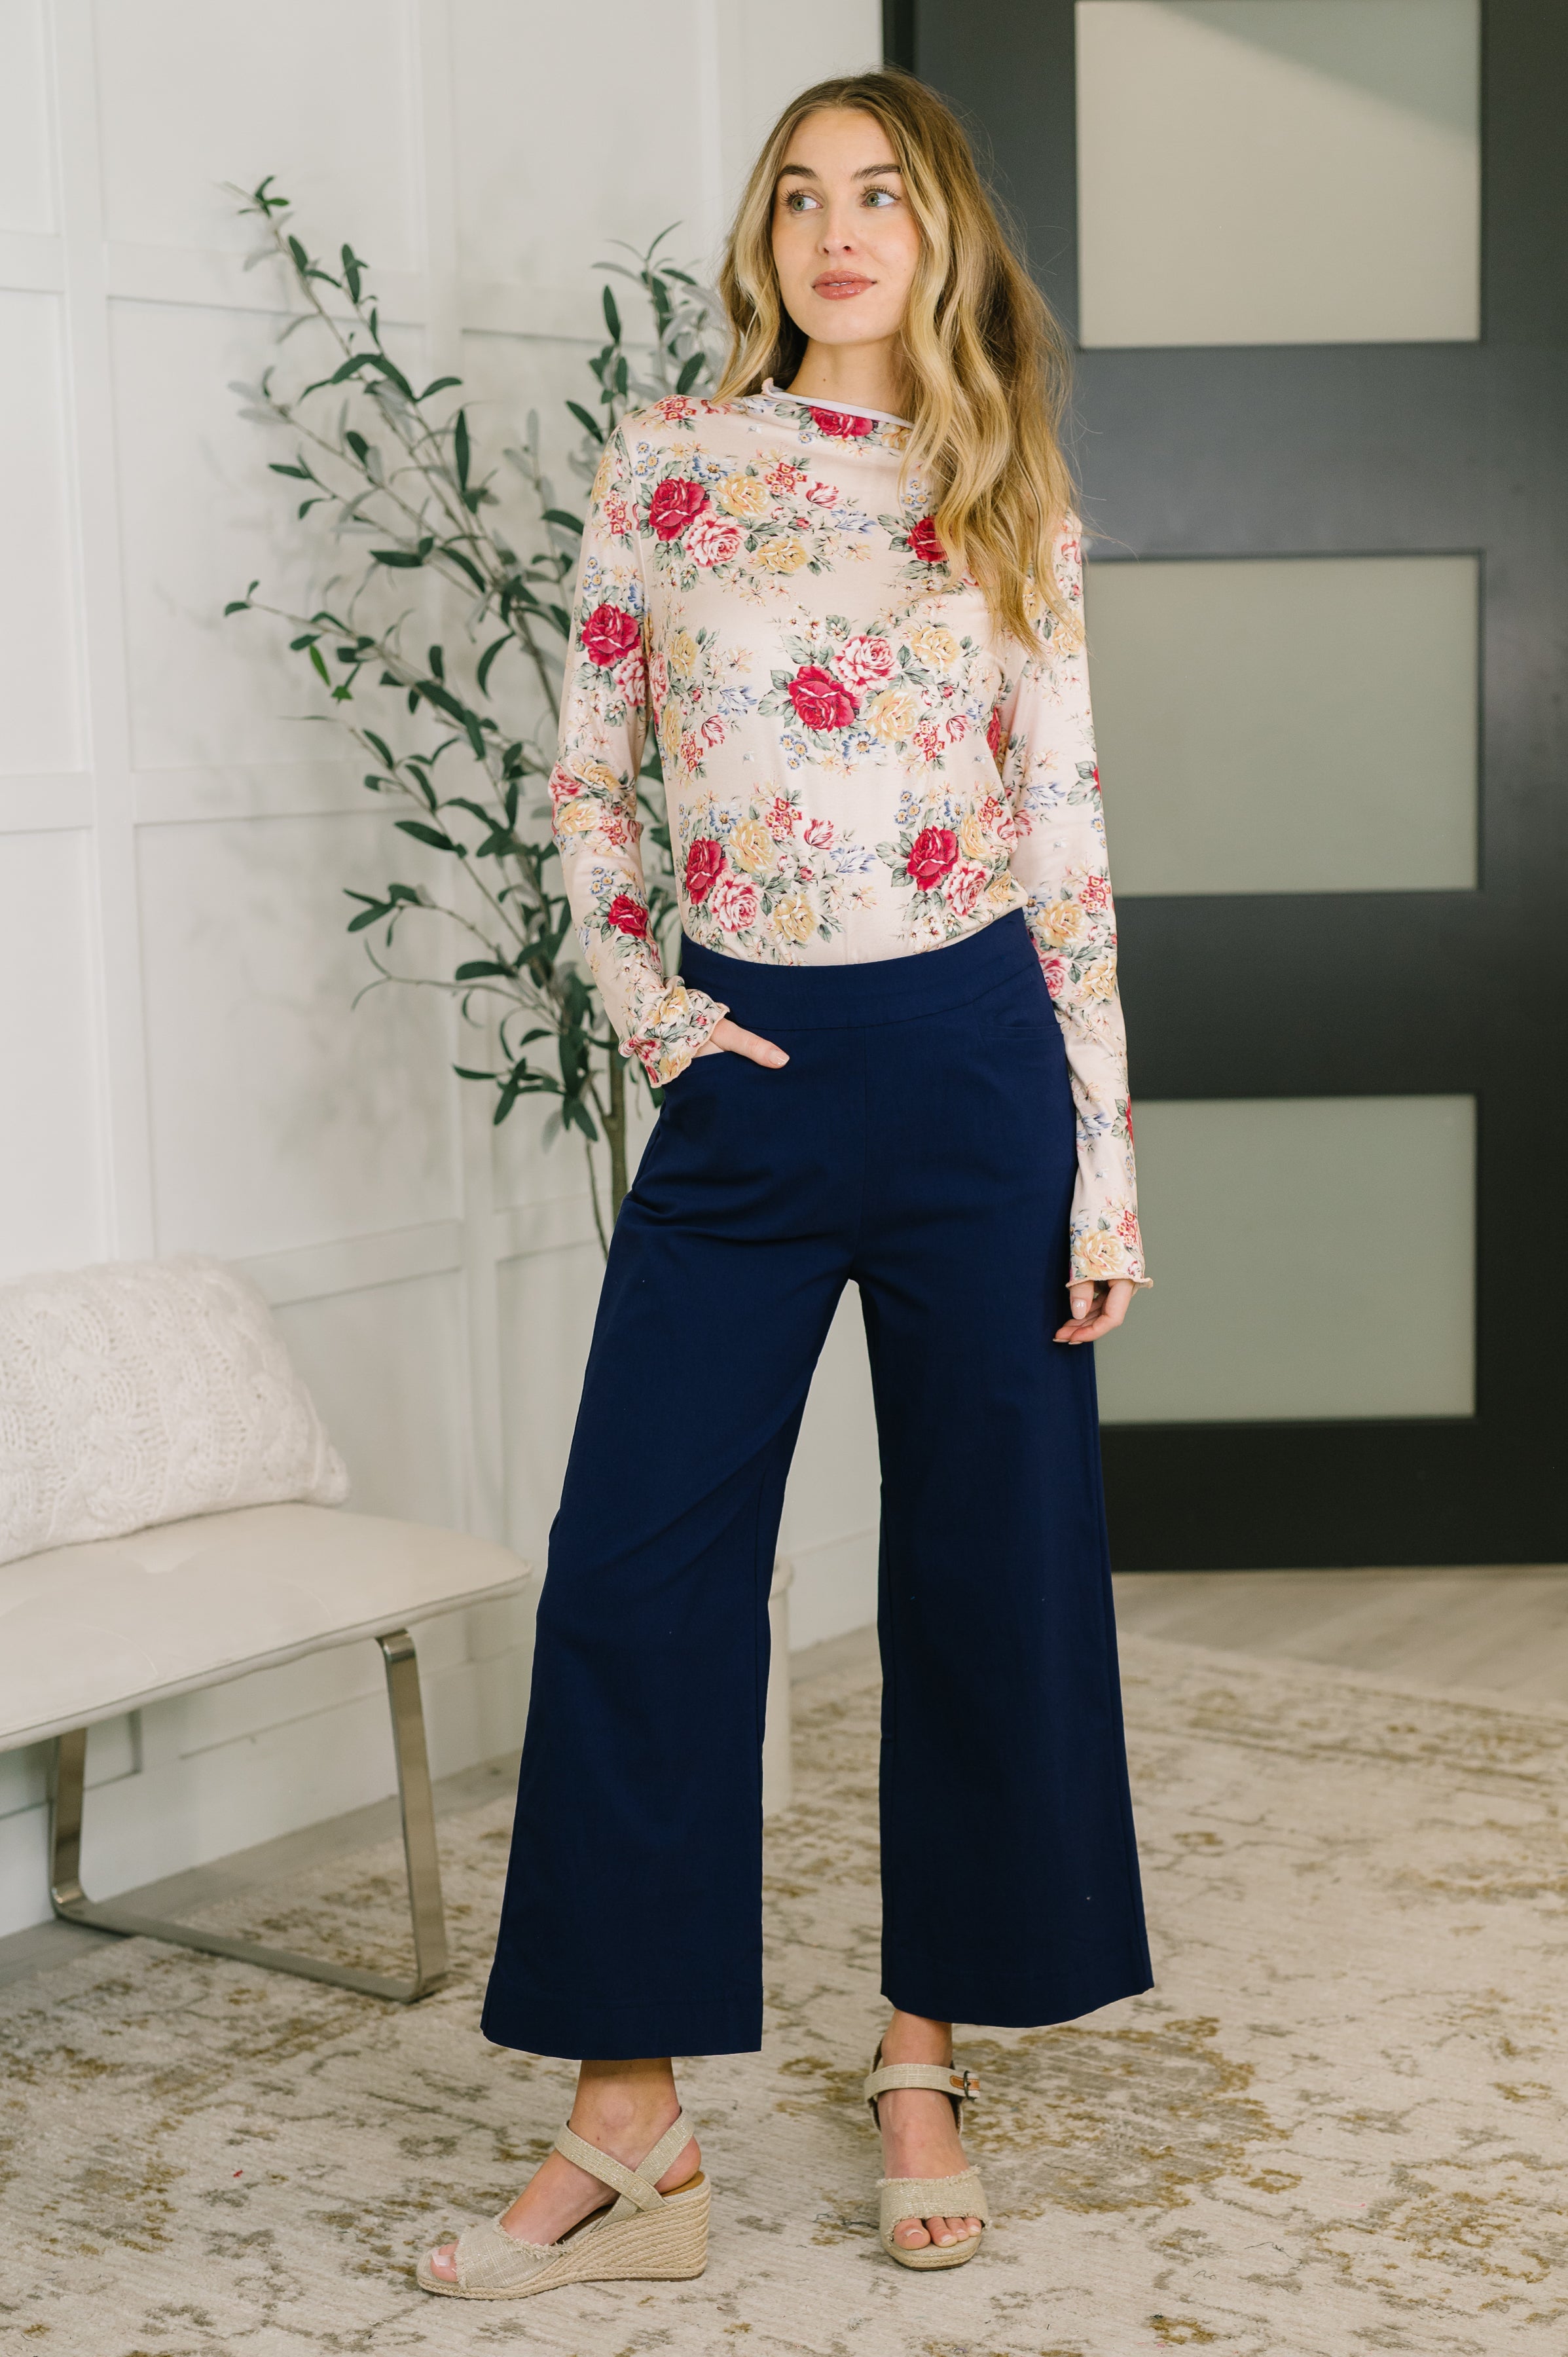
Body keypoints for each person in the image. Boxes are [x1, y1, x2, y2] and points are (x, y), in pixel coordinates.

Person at [420, 66, 1151, 2302]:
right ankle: (624, 2131)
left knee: (976, 1567)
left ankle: (918, 2053)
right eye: (804, 195)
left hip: (970, 1065)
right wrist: (657, 1019)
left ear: (939, 236)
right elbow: (590, 790)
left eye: (884, 195)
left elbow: (1063, 838)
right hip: (745, 1068)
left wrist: (1103, 1157)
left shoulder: (1001, 480)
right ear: (766, 239)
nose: (842, 231)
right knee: (633, 1575)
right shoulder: (668, 466)